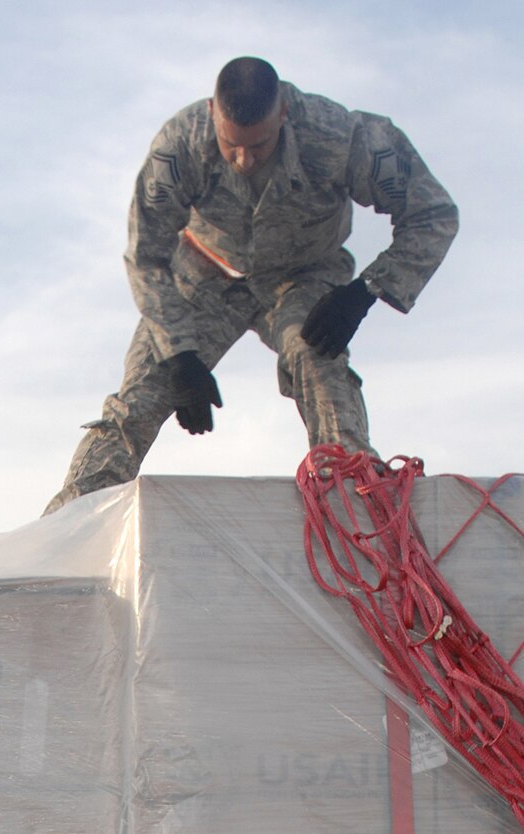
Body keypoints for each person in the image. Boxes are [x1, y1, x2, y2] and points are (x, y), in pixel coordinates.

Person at [45, 56, 458, 513]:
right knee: (142, 393)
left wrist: (364, 292)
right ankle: (69, 524)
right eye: (230, 145)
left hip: (303, 274)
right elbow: (146, 255)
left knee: (319, 364)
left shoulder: (341, 136)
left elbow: (433, 213)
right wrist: (181, 354)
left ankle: (356, 508)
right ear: (212, 113)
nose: (244, 159)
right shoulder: (180, 146)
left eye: (259, 146)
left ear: (283, 113)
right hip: (205, 271)